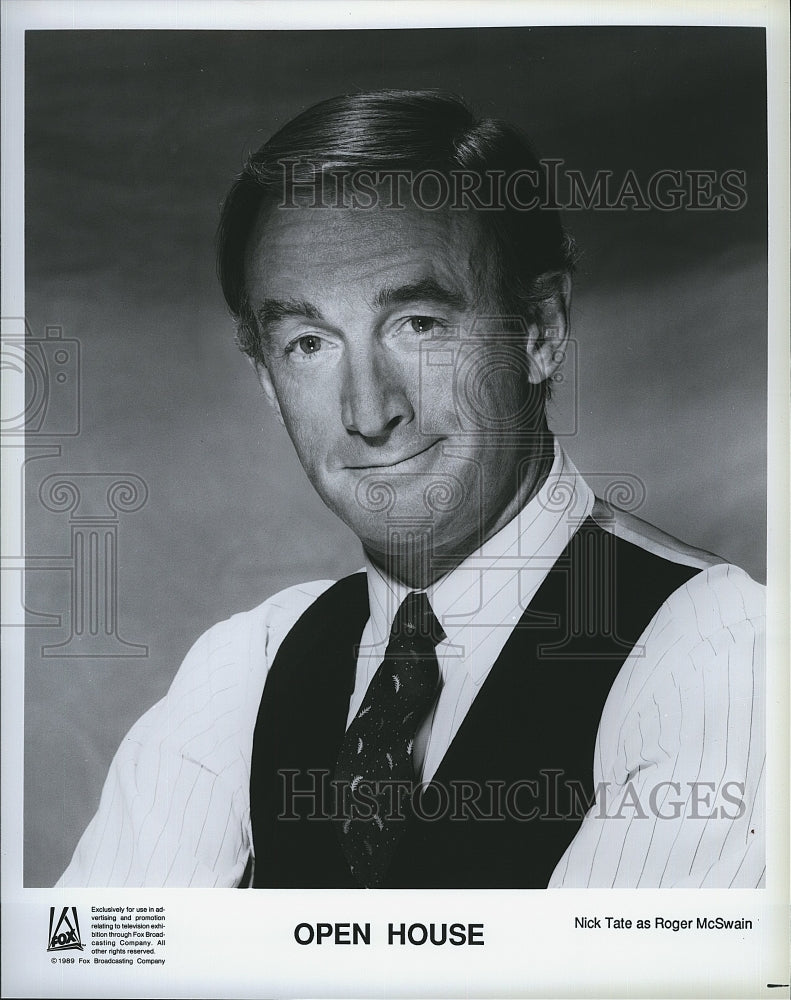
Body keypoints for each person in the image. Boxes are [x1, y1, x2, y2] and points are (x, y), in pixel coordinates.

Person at [57, 89, 764, 889]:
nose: (369, 412)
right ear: (265, 379)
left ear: (540, 330)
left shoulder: (716, 652)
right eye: (308, 343)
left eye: (419, 325)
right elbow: (93, 967)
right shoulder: (250, 668)